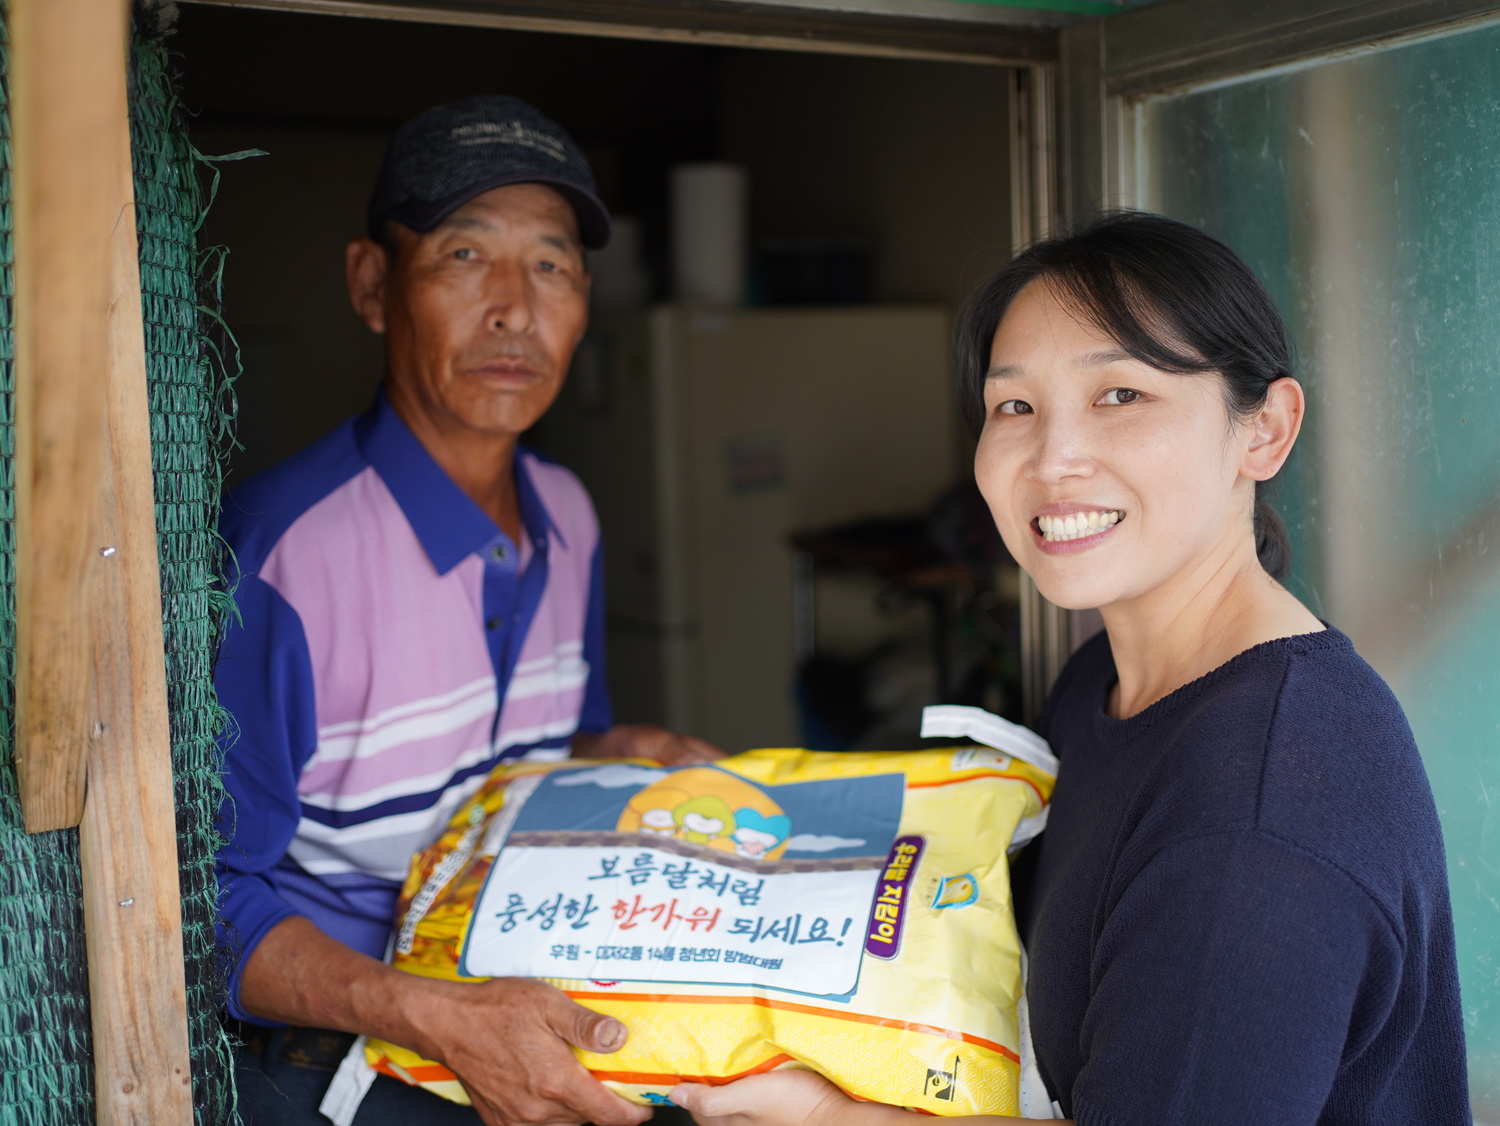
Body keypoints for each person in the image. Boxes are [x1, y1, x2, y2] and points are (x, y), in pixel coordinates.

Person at [666, 213, 1472, 1126]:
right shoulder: (1104, 684)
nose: (1053, 459)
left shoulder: (1258, 809)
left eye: (1120, 395)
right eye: (1015, 407)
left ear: (1266, 430)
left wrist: (822, 1118)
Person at [216, 95, 720, 1126]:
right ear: (372, 284)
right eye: (463, 255)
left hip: (526, 996)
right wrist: (433, 1014)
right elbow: (198, 900)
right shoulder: (283, 553)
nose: (513, 308)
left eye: (551, 264)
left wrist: (622, 746)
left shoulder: (569, 513)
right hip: (330, 1056)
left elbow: (527, 755)